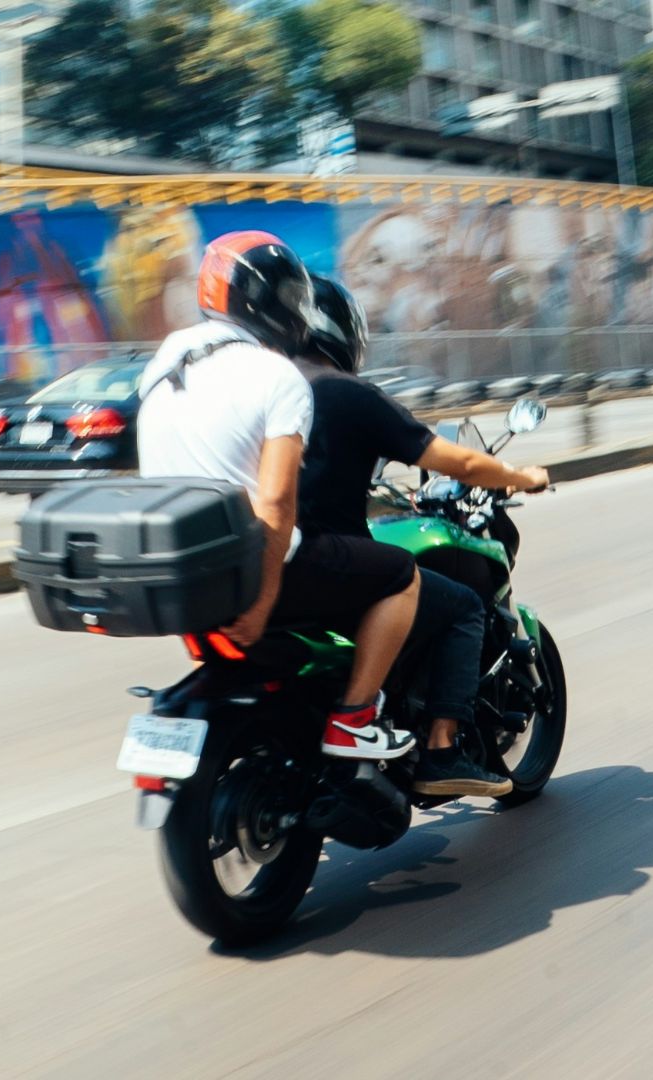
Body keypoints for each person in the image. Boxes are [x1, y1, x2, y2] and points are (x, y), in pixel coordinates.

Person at [137, 231, 419, 760]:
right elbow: (276, 506)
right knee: (401, 573)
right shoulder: (278, 376)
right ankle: (354, 718)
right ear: (266, 302)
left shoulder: (164, 364)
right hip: (255, 566)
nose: (298, 312)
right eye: (291, 298)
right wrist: (264, 601)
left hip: (187, 563)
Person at [295, 273, 554, 795]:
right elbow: (454, 459)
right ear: (344, 333)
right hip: (321, 565)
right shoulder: (348, 394)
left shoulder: (264, 391)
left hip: (259, 564)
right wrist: (523, 475)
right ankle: (442, 749)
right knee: (460, 607)